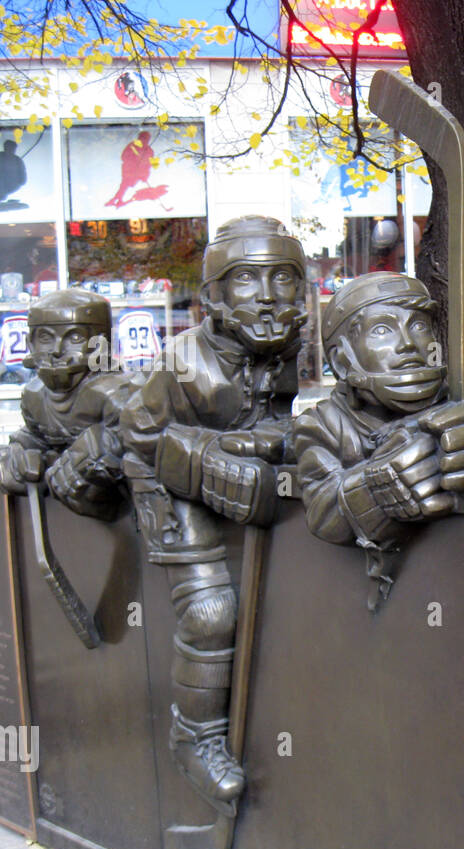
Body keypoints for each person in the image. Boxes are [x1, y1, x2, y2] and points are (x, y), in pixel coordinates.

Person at [119, 216, 306, 812]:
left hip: (241, 481)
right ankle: (194, 737)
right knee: (209, 611)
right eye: (249, 280)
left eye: (284, 279)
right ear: (214, 297)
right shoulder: (183, 361)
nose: (271, 295)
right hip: (170, 488)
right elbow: (138, 433)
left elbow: (276, 419)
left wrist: (272, 443)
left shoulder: (285, 350)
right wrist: (208, 456)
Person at [293, 272, 464, 608]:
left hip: (455, 595)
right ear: (341, 359)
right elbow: (324, 513)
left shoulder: (455, 410)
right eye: (382, 330)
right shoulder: (323, 425)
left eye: (419, 326)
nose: (408, 343)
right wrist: (378, 486)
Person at [0, 289, 134, 522]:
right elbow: (37, 437)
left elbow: (142, 446)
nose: (56, 350)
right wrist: (16, 455)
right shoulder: (34, 396)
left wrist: (99, 450)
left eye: (73, 338)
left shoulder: (116, 393)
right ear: (30, 343)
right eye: (45, 338)